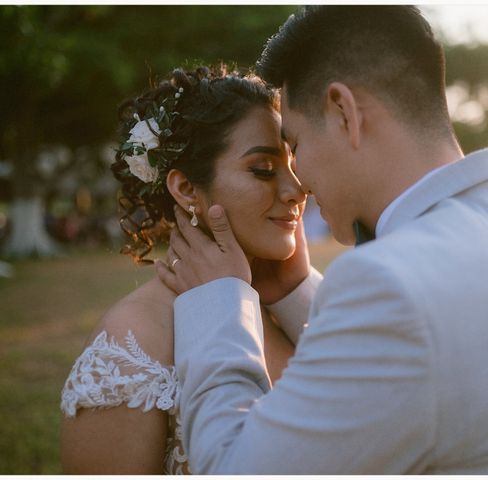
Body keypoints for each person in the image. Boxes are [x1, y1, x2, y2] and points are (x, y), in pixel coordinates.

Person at [157, 6, 488, 474]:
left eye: (295, 147)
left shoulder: (388, 284)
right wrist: (296, 295)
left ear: (343, 112)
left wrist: (216, 302)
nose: (301, 183)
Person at [59, 65, 305, 474]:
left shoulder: (285, 309)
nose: (297, 190)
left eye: (294, 164)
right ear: (186, 188)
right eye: (264, 169)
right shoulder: (130, 346)